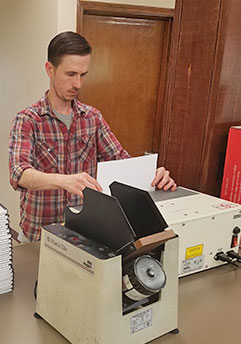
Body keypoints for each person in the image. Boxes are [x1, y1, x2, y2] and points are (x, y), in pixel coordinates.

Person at [9, 31, 176, 243]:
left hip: (85, 234)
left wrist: (154, 175)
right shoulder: (27, 120)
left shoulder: (92, 118)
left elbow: (122, 161)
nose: (78, 84)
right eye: (70, 75)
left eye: (83, 75)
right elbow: (18, 174)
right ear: (50, 70)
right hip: (41, 235)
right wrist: (64, 181)